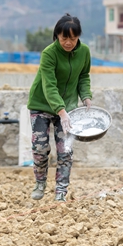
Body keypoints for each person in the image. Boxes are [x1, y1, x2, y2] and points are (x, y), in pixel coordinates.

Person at [27, 14, 92, 202]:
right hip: (42, 105)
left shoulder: (84, 52)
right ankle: (40, 182)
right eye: (64, 38)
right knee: (40, 147)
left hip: (68, 107)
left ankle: (61, 191)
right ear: (57, 36)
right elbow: (49, 86)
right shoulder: (49, 53)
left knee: (65, 150)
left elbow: (83, 76)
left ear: (78, 36)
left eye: (73, 38)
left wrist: (86, 96)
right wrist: (60, 111)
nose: (68, 43)